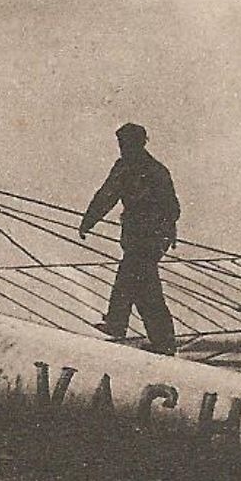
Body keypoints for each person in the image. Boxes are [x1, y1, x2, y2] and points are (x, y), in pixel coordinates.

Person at [79, 122, 181, 355]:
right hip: (138, 239)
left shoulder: (154, 171)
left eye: (126, 144)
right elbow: (106, 195)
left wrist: (165, 232)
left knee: (132, 280)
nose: (122, 148)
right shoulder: (127, 168)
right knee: (142, 287)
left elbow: (172, 208)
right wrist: (88, 221)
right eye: (121, 144)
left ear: (139, 143)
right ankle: (161, 341)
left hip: (150, 239)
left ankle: (120, 327)